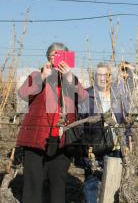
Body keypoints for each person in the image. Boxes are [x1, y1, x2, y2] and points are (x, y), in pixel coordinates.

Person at [16, 42, 88, 203]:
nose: (58, 59)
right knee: (33, 185)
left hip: (62, 141)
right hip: (36, 138)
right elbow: (23, 94)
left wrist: (69, 77)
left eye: (62, 55)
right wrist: (43, 76)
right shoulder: (36, 75)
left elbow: (83, 98)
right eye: (54, 55)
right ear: (48, 58)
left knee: (58, 185)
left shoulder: (70, 79)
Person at [76, 62, 131, 203]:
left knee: (113, 180)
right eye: (99, 75)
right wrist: (85, 143)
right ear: (94, 77)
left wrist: (127, 139)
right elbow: (80, 121)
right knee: (92, 181)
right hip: (94, 144)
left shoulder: (116, 94)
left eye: (106, 75)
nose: (103, 78)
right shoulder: (87, 95)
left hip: (116, 143)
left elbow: (125, 119)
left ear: (110, 76)